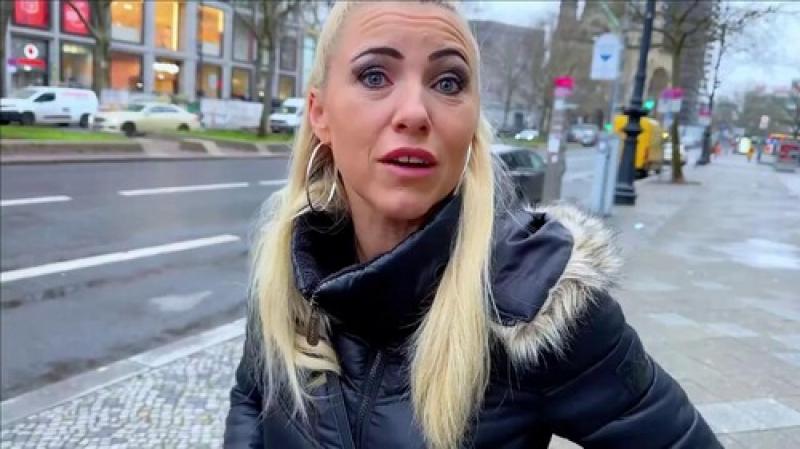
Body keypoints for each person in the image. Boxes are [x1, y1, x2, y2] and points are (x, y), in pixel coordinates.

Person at [224, 2, 721, 448]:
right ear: (320, 114)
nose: (414, 113)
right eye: (375, 76)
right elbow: (252, 399)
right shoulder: (289, 266)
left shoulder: (533, 299)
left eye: (448, 83)